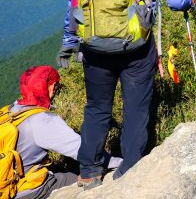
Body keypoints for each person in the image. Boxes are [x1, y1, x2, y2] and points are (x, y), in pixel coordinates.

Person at [56, 0, 193, 188]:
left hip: (95, 47)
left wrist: (70, 41)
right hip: (137, 51)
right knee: (136, 109)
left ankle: (90, 170)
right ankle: (129, 169)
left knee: (96, 108)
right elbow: (176, 2)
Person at [8, 65, 122, 198]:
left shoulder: (10, 111)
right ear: (50, 87)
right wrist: (120, 162)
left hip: (5, 183)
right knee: (78, 175)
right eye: (56, 86)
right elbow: (84, 151)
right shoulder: (41, 120)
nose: (56, 91)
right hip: (24, 190)